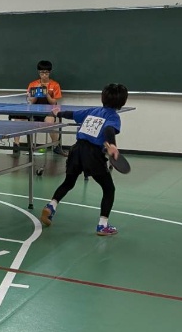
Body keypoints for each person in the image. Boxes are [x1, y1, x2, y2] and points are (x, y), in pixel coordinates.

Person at [39, 83, 129, 236]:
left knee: (68, 182)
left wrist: (58, 113)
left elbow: (72, 114)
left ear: (103, 97)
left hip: (76, 150)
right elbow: (109, 129)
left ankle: (51, 206)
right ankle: (103, 226)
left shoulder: (92, 111)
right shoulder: (113, 116)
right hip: (93, 154)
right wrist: (112, 144)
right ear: (123, 102)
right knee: (109, 189)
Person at [14, 60, 65, 155]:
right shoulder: (33, 84)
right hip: (33, 111)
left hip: (48, 111)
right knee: (18, 119)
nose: (44, 75)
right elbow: (31, 101)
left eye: (46, 73)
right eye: (42, 73)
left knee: (50, 122)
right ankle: (16, 145)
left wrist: (47, 94)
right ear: (39, 72)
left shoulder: (55, 85)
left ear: (50, 72)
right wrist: (38, 91)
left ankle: (56, 146)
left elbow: (54, 102)